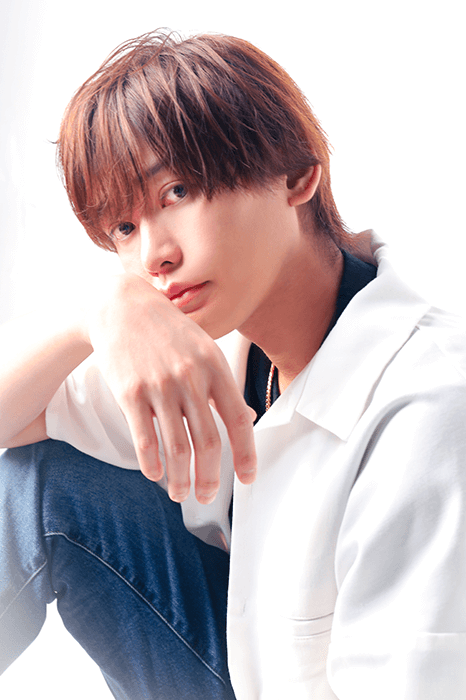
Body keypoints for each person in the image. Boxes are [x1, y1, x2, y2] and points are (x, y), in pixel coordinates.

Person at [1, 29, 466, 700]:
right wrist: (98, 310)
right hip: (242, 664)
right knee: (39, 475)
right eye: (124, 228)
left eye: (178, 191)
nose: (154, 255)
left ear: (297, 174)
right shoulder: (211, 344)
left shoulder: (428, 410)